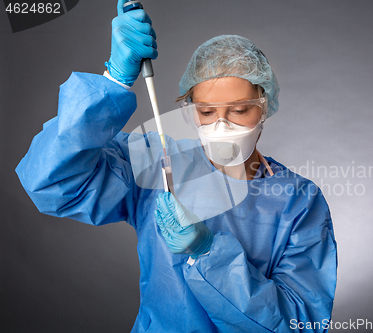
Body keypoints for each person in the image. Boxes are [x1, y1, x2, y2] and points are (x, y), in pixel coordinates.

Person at [16, 0, 337, 331]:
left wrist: (208, 252)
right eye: (207, 112)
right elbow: (53, 181)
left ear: (265, 106)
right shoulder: (157, 163)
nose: (222, 126)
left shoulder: (298, 200)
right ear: (189, 111)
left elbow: (302, 323)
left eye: (240, 110)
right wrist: (115, 79)